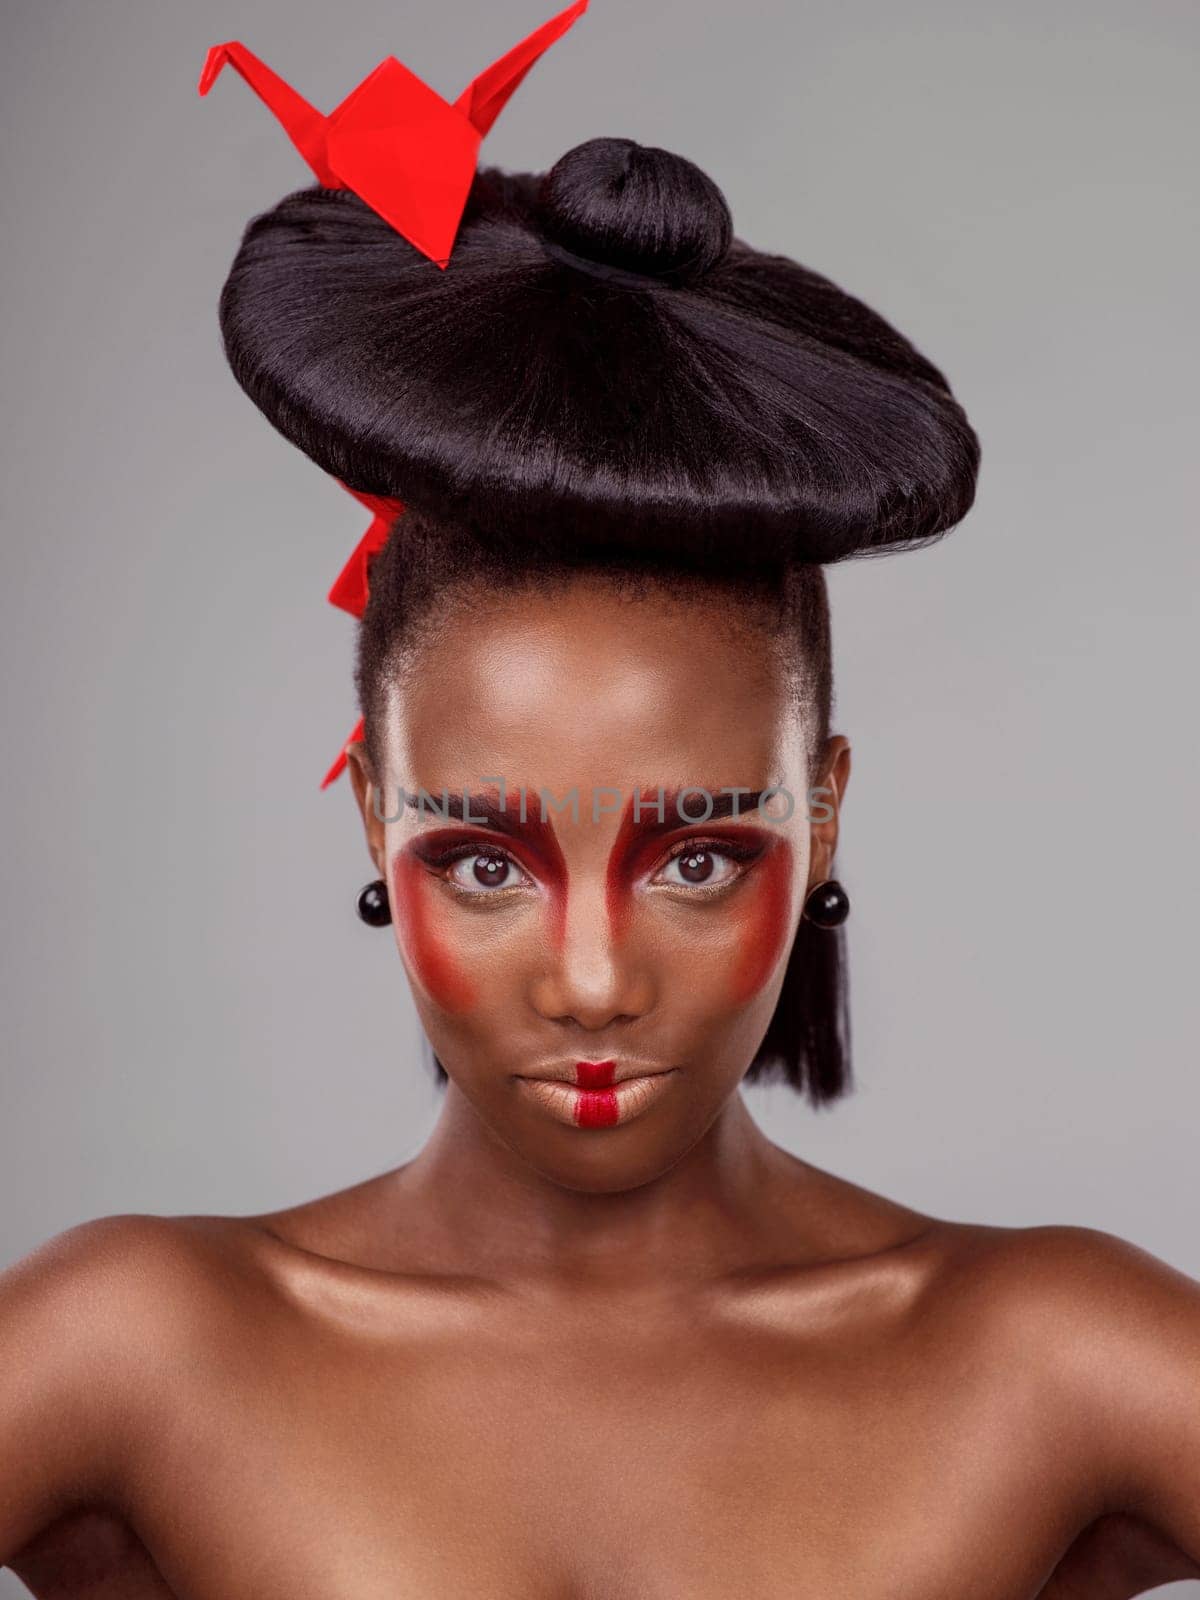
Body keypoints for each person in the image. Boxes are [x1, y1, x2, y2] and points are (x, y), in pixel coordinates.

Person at [2, 5, 1198, 1596]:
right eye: (484, 861)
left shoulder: (1057, 1367)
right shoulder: (137, 1356)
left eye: (698, 856)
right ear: (372, 811)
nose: (589, 981)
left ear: (821, 812)